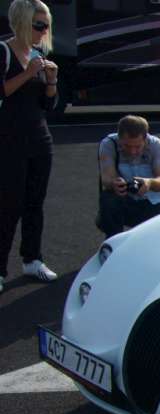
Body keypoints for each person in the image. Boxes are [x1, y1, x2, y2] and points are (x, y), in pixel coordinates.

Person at [0, 0, 59, 294]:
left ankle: (32, 259)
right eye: (39, 25)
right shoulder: (4, 51)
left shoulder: (38, 55)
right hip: (9, 140)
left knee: (35, 203)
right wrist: (27, 72)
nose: (43, 31)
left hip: (40, 139)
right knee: (8, 205)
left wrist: (51, 82)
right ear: (22, 23)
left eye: (46, 25)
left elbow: (47, 105)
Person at [96, 115, 160, 238]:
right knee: (109, 200)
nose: (133, 151)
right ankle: (113, 241)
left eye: (138, 146)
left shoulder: (156, 145)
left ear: (145, 139)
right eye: (127, 146)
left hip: (154, 201)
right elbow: (106, 178)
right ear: (119, 138)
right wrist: (114, 183)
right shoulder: (109, 144)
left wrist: (149, 183)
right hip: (126, 200)